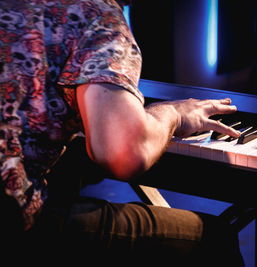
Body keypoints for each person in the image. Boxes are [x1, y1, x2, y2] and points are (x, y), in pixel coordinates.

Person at [0, 0, 244, 265]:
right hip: (15, 226)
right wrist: (174, 114)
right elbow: (125, 153)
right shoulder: (95, 13)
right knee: (213, 239)